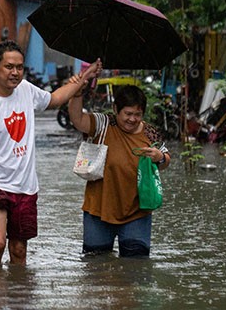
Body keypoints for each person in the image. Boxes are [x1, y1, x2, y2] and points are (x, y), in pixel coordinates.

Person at [0, 41, 101, 265]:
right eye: (9, 67)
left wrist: (85, 76)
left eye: (19, 67)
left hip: (25, 185)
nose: (15, 72)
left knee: (19, 250)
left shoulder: (26, 90)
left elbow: (55, 99)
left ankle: (18, 297)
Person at [67, 84, 170, 258]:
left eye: (137, 115)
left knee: (136, 266)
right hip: (98, 210)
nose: (132, 119)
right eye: (128, 114)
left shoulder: (150, 133)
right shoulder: (103, 124)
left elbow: (166, 160)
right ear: (116, 109)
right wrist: (77, 93)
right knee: (96, 266)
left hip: (137, 210)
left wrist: (159, 157)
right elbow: (77, 119)